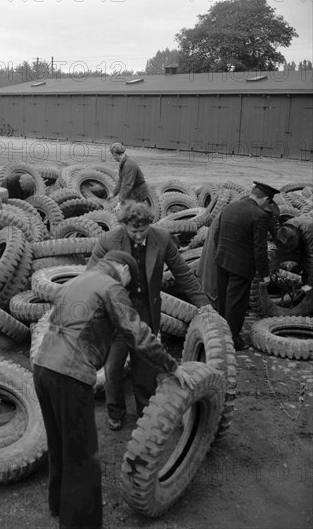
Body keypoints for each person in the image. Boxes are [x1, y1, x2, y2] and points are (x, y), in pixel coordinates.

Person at [33, 249, 196, 529]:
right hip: (70, 375)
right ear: (124, 268)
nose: (129, 286)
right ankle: (80, 525)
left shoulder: (74, 283)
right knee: (83, 455)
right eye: (131, 279)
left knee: (60, 443)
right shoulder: (111, 287)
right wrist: (172, 365)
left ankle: (58, 505)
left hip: (42, 368)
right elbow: (136, 332)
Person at [87, 202, 211, 430]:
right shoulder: (109, 240)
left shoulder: (162, 239)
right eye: (133, 231)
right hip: (117, 311)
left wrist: (203, 303)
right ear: (124, 225)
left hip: (145, 309)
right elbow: (91, 275)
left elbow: (182, 272)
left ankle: (145, 409)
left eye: (142, 231)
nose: (137, 236)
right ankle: (116, 412)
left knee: (145, 365)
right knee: (113, 366)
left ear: (149, 224)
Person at [213, 180, 280, 351]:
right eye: (268, 202)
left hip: (221, 260)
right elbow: (260, 249)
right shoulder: (259, 215)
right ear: (265, 199)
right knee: (236, 305)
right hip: (241, 267)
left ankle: (220, 334)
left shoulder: (230, 207)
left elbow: (216, 234)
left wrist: (220, 254)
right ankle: (232, 340)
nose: (267, 205)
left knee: (223, 301)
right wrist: (265, 274)